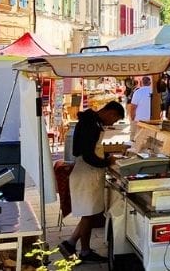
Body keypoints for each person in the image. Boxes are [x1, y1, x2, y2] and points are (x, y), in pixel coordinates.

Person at [60, 101, 126, 264]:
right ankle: (85, 251)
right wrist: (107, 161)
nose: (113, 123)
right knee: (88, 215)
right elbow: (88, 155)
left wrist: (105, 158)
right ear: (110, 113)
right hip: (86, 174)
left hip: (88, 173)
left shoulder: (91, 121)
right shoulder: (91, 125)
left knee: (88, 214)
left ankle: (70, 244)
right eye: (115, 119)